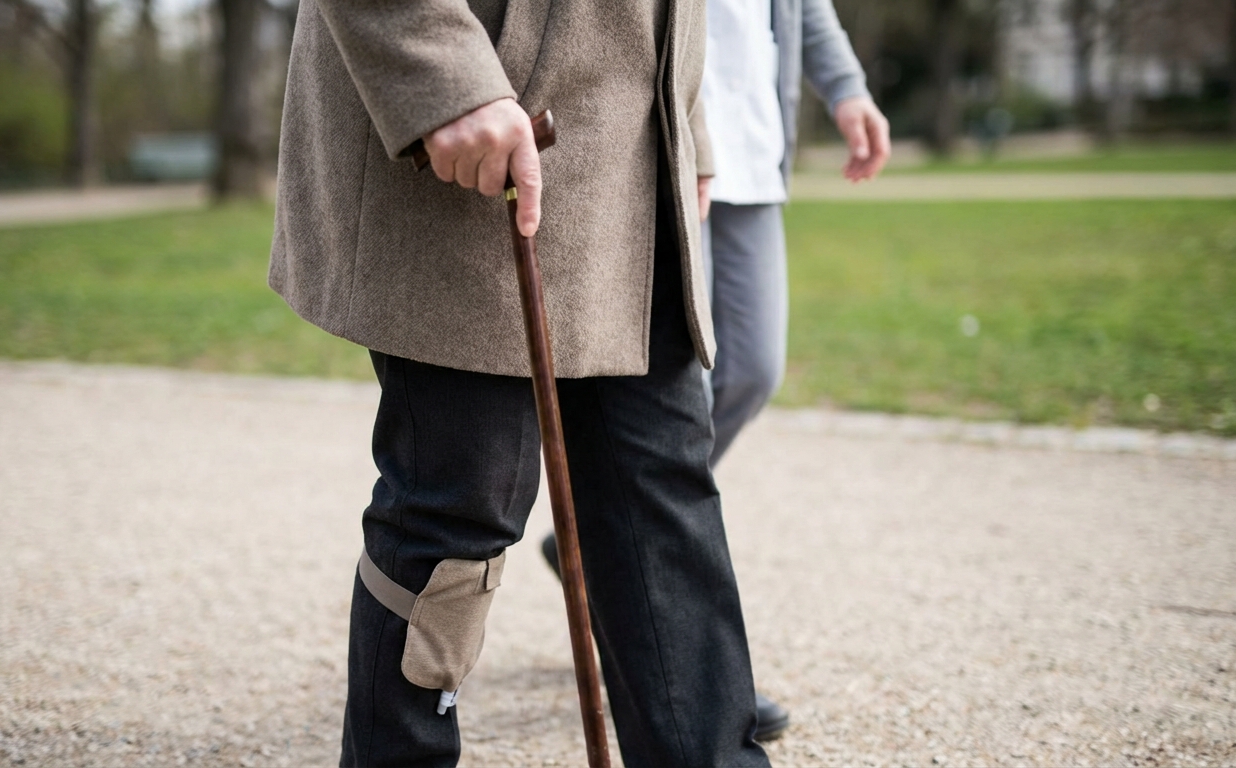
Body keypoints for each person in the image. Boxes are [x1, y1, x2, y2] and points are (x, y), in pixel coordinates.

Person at [268, 0, 771, 766]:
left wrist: (685, 120)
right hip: (475, 132)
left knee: (662, 494)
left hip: (634, 152)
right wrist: (441, 74)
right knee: (461, 508)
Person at [539, 0, 891, 743]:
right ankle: (685, 668)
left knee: (755, 369)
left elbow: (807, 11)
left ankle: (620, 561)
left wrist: (848, 89)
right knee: (670, 411)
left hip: (751, 150)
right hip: (656, 149)